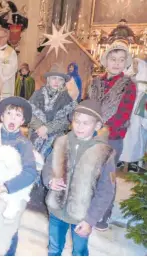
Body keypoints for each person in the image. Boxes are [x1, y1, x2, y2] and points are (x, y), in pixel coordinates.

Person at [42, 99, 116, 256]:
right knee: (54, 248)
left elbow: (106, 191)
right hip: (56, 209)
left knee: (79, 251)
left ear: (97, 126)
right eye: (77, 121)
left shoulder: (104, 153)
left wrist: (91, 220)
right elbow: (48, 166)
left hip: (83, 215)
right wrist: (50, 180)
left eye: (86, 123)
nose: (80, 126)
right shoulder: (61, 142)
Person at [0, 96, 38, 256]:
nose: (12, 118)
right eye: (9, 113)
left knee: (9, 232)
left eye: (17, 115)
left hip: (12, 194)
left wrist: (6, 187)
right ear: (2, 117)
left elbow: (30, 172)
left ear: (22, 120)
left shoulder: (24, 144)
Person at [88, 40, 136, 230]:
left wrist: (101, 129)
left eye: (121, 60)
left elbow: (123, 114)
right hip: (92, 135)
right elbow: (90, 105)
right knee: (91, 173)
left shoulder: (128, 85)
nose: (116, 63)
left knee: (107, 178)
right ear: (105, 61)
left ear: (126, 63)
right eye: (113, 59)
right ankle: (90, 208)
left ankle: (104, 213)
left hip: (112, 137)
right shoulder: (96, 82)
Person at [29, 63, 78, 159]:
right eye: (54, 78)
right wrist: (40, 128)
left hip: (56, 134)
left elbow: (66, 121)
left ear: (63, 82)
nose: (57, 82)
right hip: (37, 131)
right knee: (33, 159)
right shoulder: (37, 94)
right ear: (48, 79)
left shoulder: (66, 98)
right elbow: (29, 114)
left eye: (60, 79)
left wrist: (47, 129)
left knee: (57, 156)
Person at [120, 58, 147, 173]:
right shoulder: (127, 74)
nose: (135, 65)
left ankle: (135, 163)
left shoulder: (144, 78)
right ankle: (122, 159)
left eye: (137, 63)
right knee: (125, 137)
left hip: (138, 112)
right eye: (134, 63)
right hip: (126, 110)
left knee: (137, 137)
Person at [0, 29, 18, 98]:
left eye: (0, 37)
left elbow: (13, 67)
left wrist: (0, 65)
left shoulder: (11, 52)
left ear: (6, 38)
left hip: (5, 84)